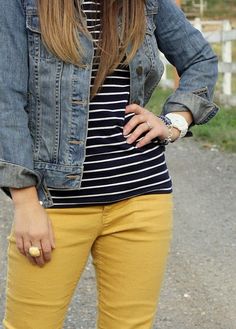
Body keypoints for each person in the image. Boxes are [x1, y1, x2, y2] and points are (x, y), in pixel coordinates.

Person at [0, 0, 218, 328]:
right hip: (55, 203)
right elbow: (6, 99)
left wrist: (174, 121)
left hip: (143, 198)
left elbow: (200, 58)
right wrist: (26, 202)